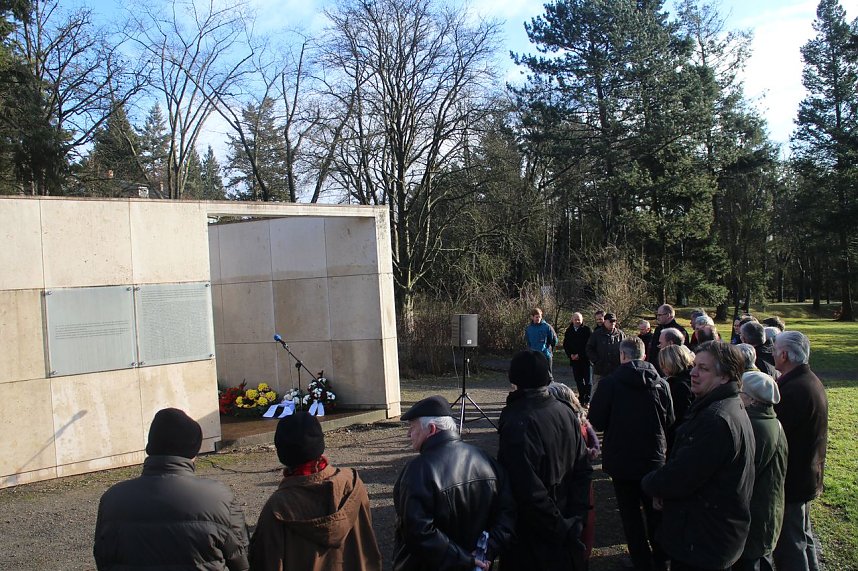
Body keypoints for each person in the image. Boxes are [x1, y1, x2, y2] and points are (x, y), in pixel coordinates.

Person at [642, 341, 755, 571]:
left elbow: (683, 474)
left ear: (725, 376)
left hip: (704, 538)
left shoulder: (716, 419)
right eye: (694, 366)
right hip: (710, 530)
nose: (693, 373)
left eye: (703, 368)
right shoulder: (723, 405)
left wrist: (651, 485)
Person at [94, 408, 250, 570]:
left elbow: (103, 556)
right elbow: (241, 560)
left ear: (151, 446)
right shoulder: (219, 497)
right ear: (193, 451)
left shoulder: (112, 498)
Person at [393, 396, 515, 570]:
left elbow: (418, 532)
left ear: (432, 429)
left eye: (412, 427)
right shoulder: (487, 461)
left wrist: (463, 559)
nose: (408, 434)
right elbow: (507, 513)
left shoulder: (418, 470)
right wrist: (485, 551)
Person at [249, 412, 382, 571]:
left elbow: (265, 561)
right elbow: (367, 541)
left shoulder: (277, 507)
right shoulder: (352, 483)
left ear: (282, 453)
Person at [498, 350, 593, 571]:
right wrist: (576, 518)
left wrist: (562, 526)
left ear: (515, 379)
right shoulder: (565, 411)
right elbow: (583, 469)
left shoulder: (518, 421)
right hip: (566, 525)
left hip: (535, 539)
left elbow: (527, 490)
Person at [588, 337, 674, 571]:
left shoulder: (610, 384)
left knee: (630, 516)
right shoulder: (662, 383)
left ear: (622, 356)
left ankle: (641, 561)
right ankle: (662, 559)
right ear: (644, 355)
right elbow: (670, 420)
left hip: (622, 458)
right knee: (656, 512)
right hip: (654, 457)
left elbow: (596, 420)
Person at [772, 331, 828, 571]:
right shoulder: (808, 380)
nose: (773, 353)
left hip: (793, 479)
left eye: (775, 349)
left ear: (784, 355)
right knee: (803, 536)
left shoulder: (794, 388)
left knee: (790, 543)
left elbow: (780, 435)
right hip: (807, 474)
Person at [734, 371, 787, 571]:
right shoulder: (770, 421)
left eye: (739, 393)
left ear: (751, 399)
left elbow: (745, 475)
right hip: (766, 511)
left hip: (757, 514)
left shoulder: (757, 428)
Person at [657, 344, 695, 454]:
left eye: (663, 364)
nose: (662, 368)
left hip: (678, 440)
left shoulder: (679, 386)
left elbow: (678, 416)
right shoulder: (692, 378)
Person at [585, 312, 625, 394]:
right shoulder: (596, 334)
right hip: (600, 370)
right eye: (610, 321)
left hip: (616, 369)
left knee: (615, 392)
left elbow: (625, 349)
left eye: (614, 321)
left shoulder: (620, 334)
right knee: (596, 392)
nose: (613, 323)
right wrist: (596, 360)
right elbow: (589, 348)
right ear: (605, 321)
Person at [648, 304, 689, 373]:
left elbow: (682, 354)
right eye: (657, 315)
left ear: (668, 315)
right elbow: (653, 349)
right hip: (655, 369)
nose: (658, 317)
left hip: (672, 369)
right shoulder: (658, 329)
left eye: (660, 315)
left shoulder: (679, 331)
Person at [562, 312, 592, 404]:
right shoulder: (569, 331)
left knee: (588, 382)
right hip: (574, 361)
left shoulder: (587, 330)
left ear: (582, 320)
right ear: (572, 320)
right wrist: (570, 355)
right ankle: (581, 398)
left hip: (586, 360)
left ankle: (587, 399)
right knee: (578, 381)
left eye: (579, 319)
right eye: (575, 319)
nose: (577, 321)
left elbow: (589, 345)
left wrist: (580, 354)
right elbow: (565, 345)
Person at [525, 307, 559, 375]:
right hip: (534, 356)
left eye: (539, 317)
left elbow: (554, 340)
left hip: (546, 355)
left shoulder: (547, 327)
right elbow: (528, 342)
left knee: (548, 376)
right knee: (535, 375)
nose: (538, 319)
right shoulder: (529, 329)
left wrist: (549, 349)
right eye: (536, 317)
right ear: (532, 317)